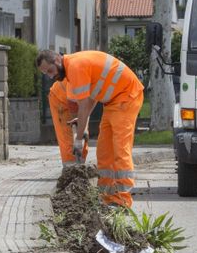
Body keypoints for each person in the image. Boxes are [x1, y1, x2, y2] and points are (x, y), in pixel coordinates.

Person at [36, 50, 143, 208]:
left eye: (50, 71)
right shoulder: (74, 68)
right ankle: (107, 198)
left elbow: (83, 105)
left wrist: (78, 140)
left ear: (58, 60)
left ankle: (123, 201)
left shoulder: (75, 67)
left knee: (120, 149)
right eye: (46, 74)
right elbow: (92, 96)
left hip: (126, 97)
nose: (50, 76)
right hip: (113, 101)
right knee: (104, 151)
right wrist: (81, 119)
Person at [48, 79, 89, 167]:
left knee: (83, 139)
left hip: (75, 102)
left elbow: (87, 109)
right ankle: (70, 169)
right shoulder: (76, 78)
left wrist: (84, 130)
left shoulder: (95, 81)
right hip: (60, 101)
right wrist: (77, 137)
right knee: (69, 141)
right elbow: (75, 118)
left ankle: (80, 167)